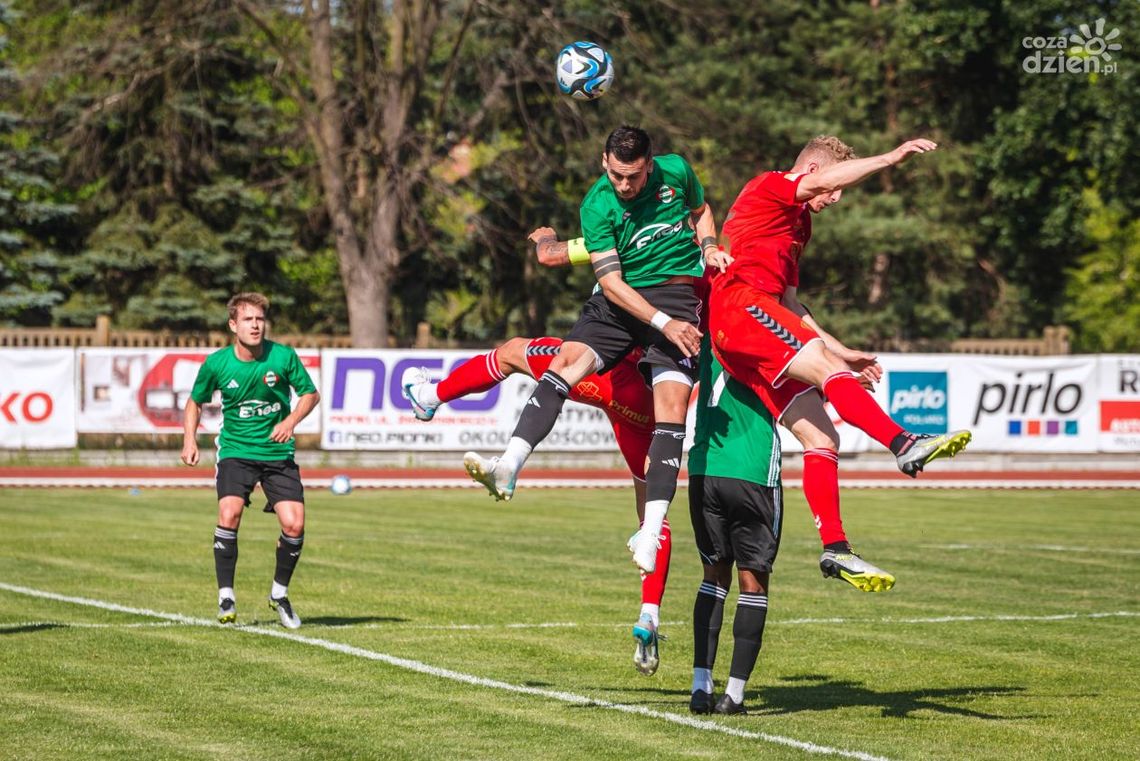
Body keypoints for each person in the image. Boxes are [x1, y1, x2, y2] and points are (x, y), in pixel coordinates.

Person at [462, 126, 730, 582]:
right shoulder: (597, 204)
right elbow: (609, 282)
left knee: (671, 410)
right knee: (564, 364)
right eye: (616, 175)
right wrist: (662, 323)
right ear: (604, 161)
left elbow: (701, 211)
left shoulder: (678, 172)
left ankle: (650, 531)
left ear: (650, 165)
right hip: (621, 300)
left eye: (633, 176)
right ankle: (508, 465)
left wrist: (709, 247)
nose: (624, 185)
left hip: (675, 300)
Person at [711, 135, 971, 592]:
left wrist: (841, 349)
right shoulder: (770, 185)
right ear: (813, 172)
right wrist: (890, 158)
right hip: (740, 307)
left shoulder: (799, 225)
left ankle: (836, 547)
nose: (835, 198)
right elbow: (819, 184)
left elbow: (791, 303)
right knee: (829, 372)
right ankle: (903, 443)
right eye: (833, 188)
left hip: (751, 326)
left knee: (821, 436)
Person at [181, 292, 320, 628]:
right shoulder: (217, 363)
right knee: (229, 513)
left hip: (277, 453)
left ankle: (279, 595)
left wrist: (289, 422)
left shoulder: (283, 356)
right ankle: (226, 596)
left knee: (294, 525)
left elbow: (310, 394)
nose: (255, 325)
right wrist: (189, 439)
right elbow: (195, 402)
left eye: (260, 319)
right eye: (248, 319)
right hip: (237, 451)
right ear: (233, 325)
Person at [687, 336, 783, 716]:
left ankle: (700, 687)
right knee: (752, 582)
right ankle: (734, 695)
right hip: (752, 470)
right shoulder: (767, 334)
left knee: (713, 577)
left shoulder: (706, 334)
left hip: (704, 469)